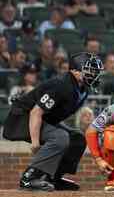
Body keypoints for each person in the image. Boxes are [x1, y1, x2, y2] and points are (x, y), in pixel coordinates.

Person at [2, 52, 104, 191]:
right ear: (75, 71)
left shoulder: (83, 89)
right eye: (90, 70)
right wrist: (35, 141)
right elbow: (36, 112)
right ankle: (29, 178)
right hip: (22, 117)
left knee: (77, 138)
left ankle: (53, 178)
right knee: (60, 137)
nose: (94, 74)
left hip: (43, 118)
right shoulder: (61, 85)